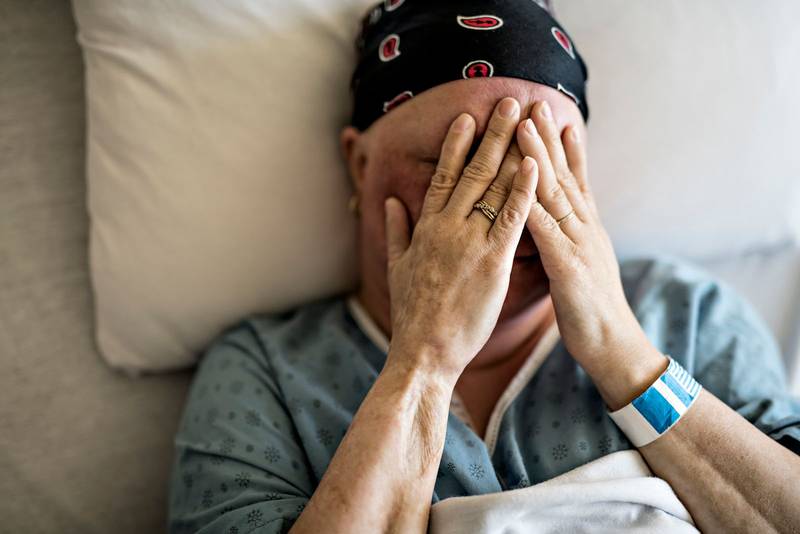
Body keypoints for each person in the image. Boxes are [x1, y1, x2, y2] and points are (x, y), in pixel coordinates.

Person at [168, 2, 800, 533]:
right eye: (454, 162)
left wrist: (623, 355)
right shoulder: (267, 370)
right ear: (360, 164)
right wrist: (423, 360)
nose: (513, 202)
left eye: (545, 160)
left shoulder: (689, 313)